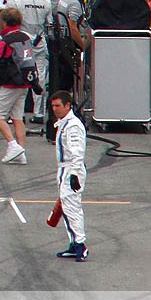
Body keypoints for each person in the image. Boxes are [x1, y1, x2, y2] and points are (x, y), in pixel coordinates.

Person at [0, 6, 34, 162]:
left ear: (4, 22)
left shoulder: (6, 41)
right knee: (17, 117)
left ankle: (13, 145)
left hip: (9, 83)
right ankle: (22, 153)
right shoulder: (25, 37)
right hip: (26, 82)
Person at [51, 89, 88, 261]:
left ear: (67, 105)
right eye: (53, 106)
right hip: (65, 170)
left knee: (72, 208)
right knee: (66, 208)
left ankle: (81, 244)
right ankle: (74, 243)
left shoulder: (72, 126)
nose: (55, 109)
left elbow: (77, 152)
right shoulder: (63, 123)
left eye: (58, 105)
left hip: (71, 169)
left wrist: (74, 174)